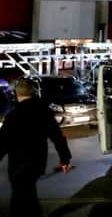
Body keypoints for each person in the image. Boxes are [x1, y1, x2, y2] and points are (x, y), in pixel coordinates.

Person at [0, 78, 72, 217]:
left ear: (16, 94)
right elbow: (58, 137)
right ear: (34, 93)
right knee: (28, 196)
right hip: (37, 162)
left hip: (18, 165)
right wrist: (65, 159)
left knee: (20, 200)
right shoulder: (43, 113)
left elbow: (3, 142)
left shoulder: (13, 116)